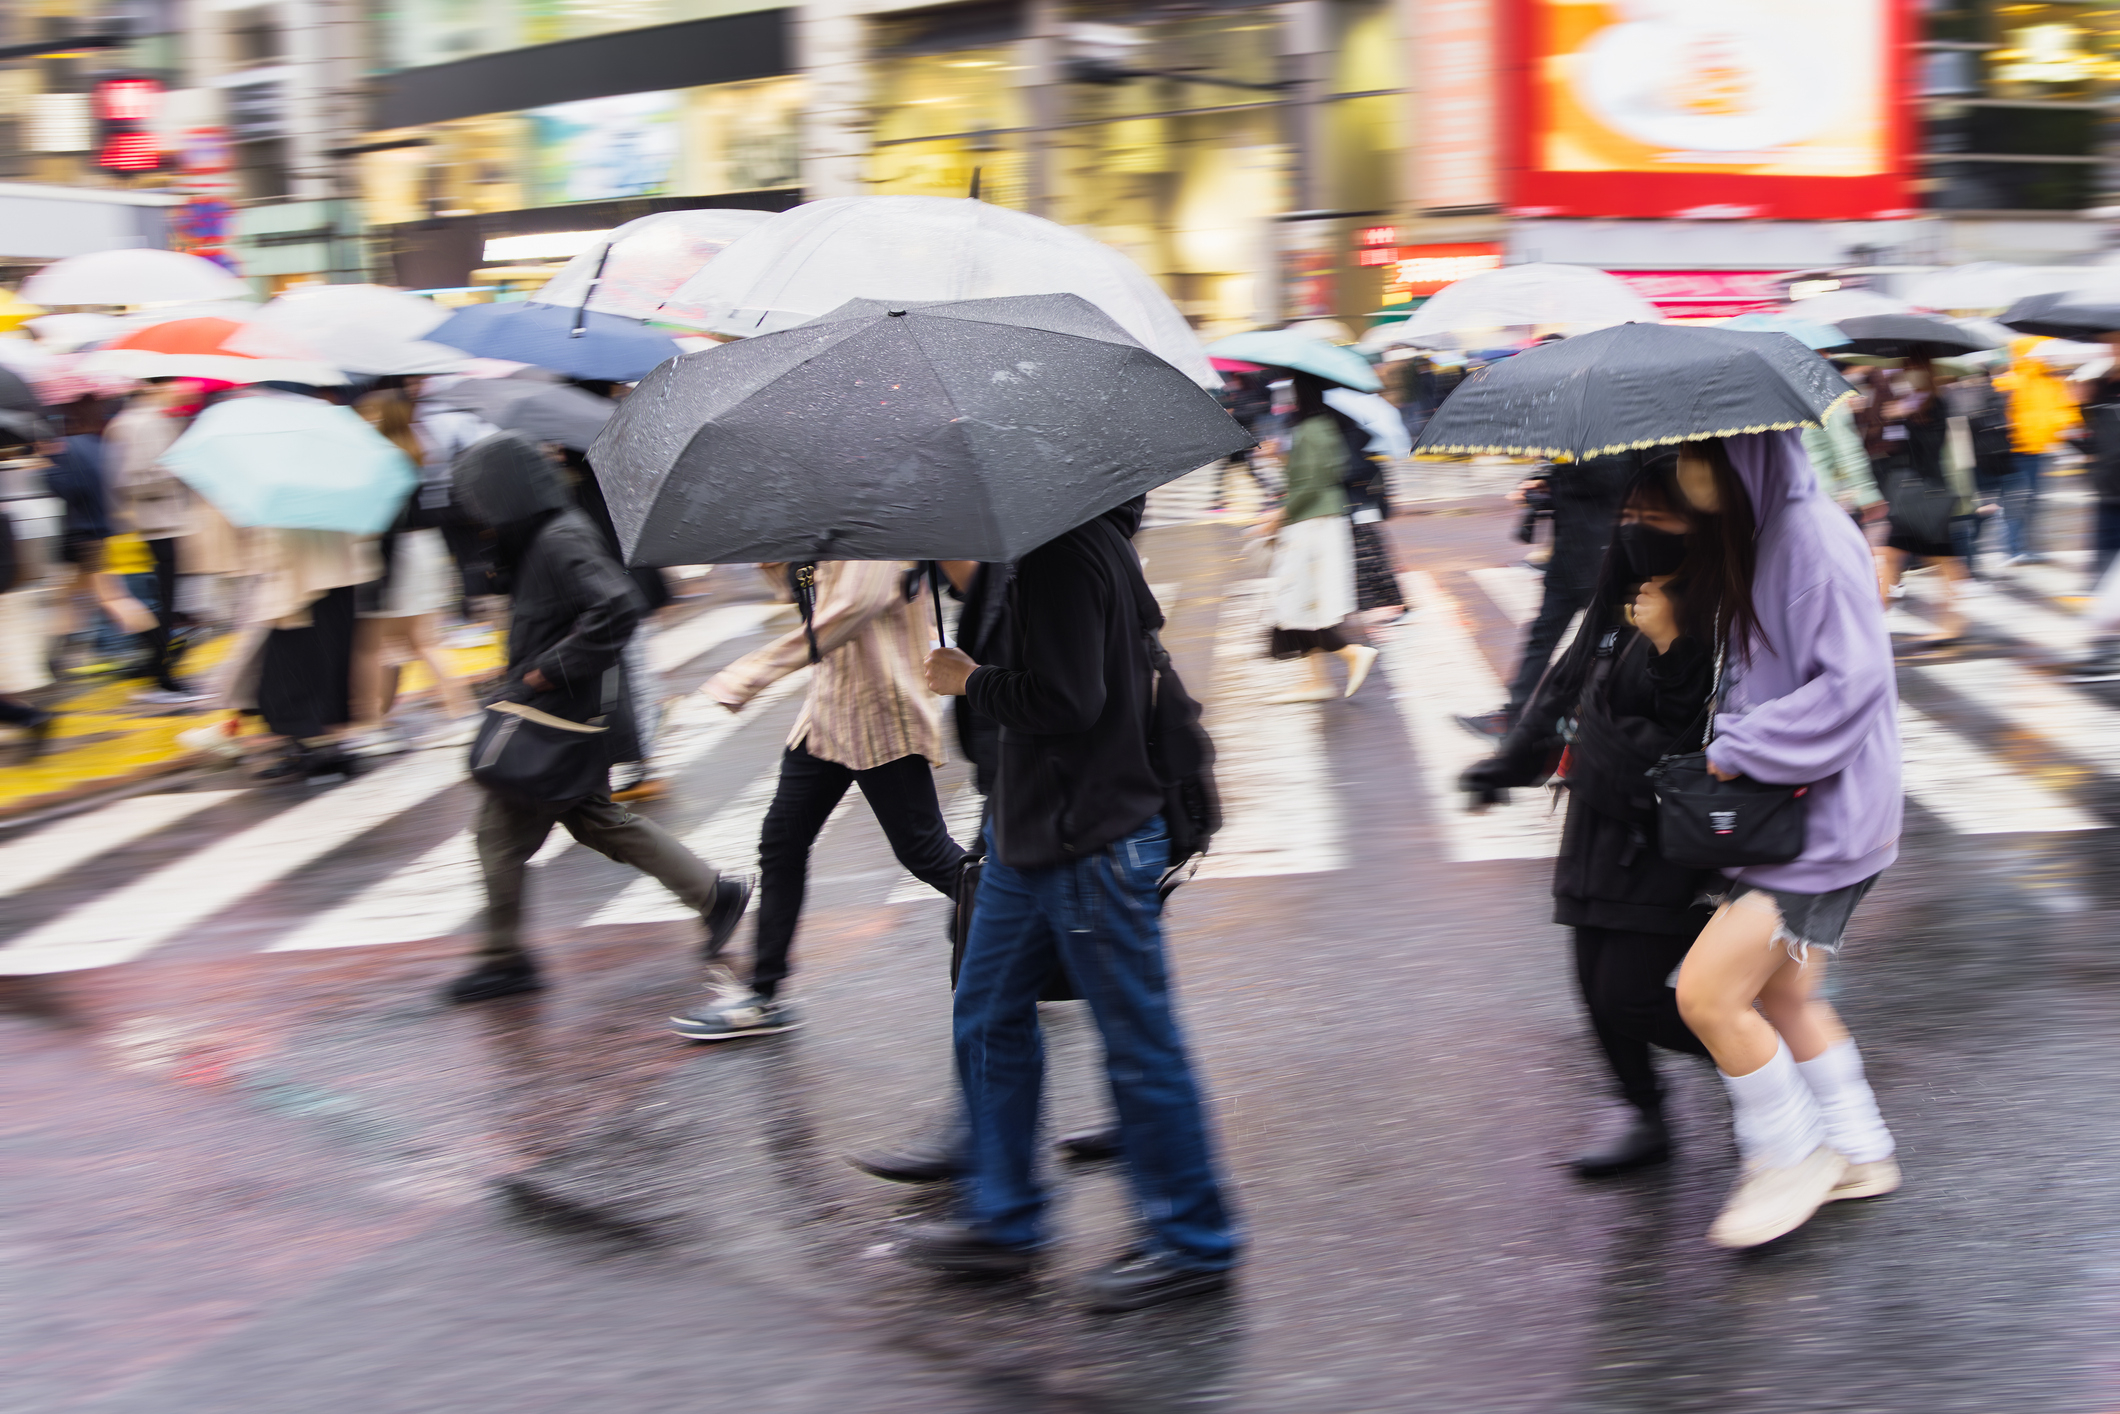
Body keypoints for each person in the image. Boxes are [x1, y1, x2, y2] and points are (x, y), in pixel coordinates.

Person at [908, 496, 1241, 1312]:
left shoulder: (1060, 550)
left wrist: (970, 680)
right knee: (985, 1013)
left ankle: (1194, 1240)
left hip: (1084, 836)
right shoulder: (1063, 543)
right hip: (1032, 834)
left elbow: (1069, 701)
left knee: (1138, 1041)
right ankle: (1004, 1216)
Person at [1661, 434, 1901, 1250]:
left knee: (1706, 994)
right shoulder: (1769, 529)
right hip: (1811, 813)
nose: (1689, 472)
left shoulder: (1810, 536)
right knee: (1787, 996)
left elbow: (1853, 683)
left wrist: (1739, 748)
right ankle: (1862, 1152)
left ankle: (1789, 1155)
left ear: (1746, 454)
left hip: (1822, 823)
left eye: (1702, 455)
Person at [1460, 455, 1722, 1176]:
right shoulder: (1620, 591)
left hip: (1665, 824)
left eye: (1656, 520)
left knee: (1631, 995)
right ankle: (1644, 1110)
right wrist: (1508, 763)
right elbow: (1569, 678)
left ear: (1697, 523)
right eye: (1629, 519)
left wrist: (1670, 645)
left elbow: (1701, 724)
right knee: (1593, 987)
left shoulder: (1721, 600)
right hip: (1597, 812)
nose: (1636, 533)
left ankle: (1764, 1057)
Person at [444, 431, 751, 1005]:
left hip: (555, 718)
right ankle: (715, 895)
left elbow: (616, 607)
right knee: (597, 821)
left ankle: (505, 959)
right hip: (561, 717)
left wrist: (542, 673)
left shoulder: (560, 538)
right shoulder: (541, 537)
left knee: (498, 838)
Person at [671, 559, 968, 1040]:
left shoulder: (871, 527)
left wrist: (749, 673)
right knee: (781, 842)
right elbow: (806, 599)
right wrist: (778, 555)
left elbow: (854, 606)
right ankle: (763, 994)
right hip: (828, 714)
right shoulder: (825, 525)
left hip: (879, 710)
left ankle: (1030, 928)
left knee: (925, 851)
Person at [1458, 452, 1634, 739]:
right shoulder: (1577, 442)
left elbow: (1611, 481)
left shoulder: (1610, 444)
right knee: (1544, 639)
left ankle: (1596, 721)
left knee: (1608, 644)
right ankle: (1513, 716)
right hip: (1570, 558)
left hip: (1599, 560)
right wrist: (1546, 481)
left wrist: (1560, 473)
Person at [348, 389, 475, 748]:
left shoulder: (380, 457)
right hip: (422, 548)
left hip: (396, 553)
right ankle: (452, 711)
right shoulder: (414, 448)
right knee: (415, 640)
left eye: (368, 413)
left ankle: (371, 724)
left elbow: (377, 519)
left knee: (371, 644)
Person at [1257, 372, 1378, 702]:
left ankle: (1351, 653)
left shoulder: (1311, 428)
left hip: (1312, 525)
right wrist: (1281, 458)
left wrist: (1278, 516)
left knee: (1298, 601)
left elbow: (1311, 485)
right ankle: (1316, 680)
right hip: (1317, 521)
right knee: (1303, 604)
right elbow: (1310, 476)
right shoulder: (1320, 425)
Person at [102, 381, 205, 702]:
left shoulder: (140, 420)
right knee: (160, 603)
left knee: (159, 603)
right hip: (155, 527)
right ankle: (163, 675)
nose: (188, 389)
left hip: (154, 526)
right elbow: (134, 480)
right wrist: (180, 469)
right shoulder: (145, 423)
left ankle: (158, 668)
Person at [1993, 337, 2078, 565]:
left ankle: (2024, 548)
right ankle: (2013, 549)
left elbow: (2063, 413)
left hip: (2036, 449)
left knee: (2031, 501)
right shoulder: (2014, 381)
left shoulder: (2045, 381)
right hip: (2017, 451)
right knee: (2018, 501)